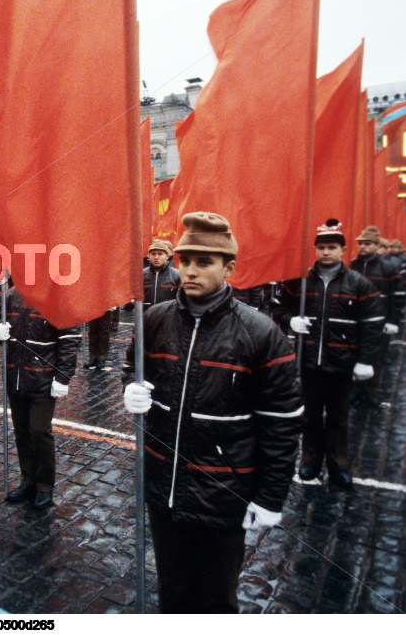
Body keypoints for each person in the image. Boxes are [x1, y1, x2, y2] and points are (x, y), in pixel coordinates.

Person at [123, 211, 302, 613]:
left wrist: (271, 497)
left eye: (204, 262)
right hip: (163, 487)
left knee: (216, 600)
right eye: (185, 260)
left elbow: (282, 424)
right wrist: (129, 390)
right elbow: (132, 367)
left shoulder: (260, 332)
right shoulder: (154, 319)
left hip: (222, 494)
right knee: (173, 592)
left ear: (229, 267)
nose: (189, 270)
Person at [277, 218, 383, 489]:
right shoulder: (300, 281)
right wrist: (290, 320)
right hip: (309, 362)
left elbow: (371, 326)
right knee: (310, 416)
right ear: (315, 249)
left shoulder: (357, 284)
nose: (326, 252)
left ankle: (338, 464)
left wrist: (366, 360)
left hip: (342, 364)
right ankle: (310, 460)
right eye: (321, 247)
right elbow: (277, 307)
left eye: (332, 247)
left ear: (343, 250)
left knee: (339, 418)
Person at [0, 283, 79, 509]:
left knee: (39, 432)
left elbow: (69, 340)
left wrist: (63, 377)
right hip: (15, 376)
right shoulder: (11, 295)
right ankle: (28, 481)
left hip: (43, 380)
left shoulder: (57, 296)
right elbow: (3, 327)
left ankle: (45, 486)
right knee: (21, 432)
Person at [350, 226, 400, 401]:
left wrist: (393, 320)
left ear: (376, 245)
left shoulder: (388, 268)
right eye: (361, 243)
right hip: (355, 318)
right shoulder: (352, 265)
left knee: (375, 355)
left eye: (367, 243)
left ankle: (372, 391)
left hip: (379, 319)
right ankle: (355, 389)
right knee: (355, 353)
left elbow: (395, 297)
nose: (363, 247)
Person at [142, 239, 180, 311]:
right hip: (146, 317)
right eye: (153, 254)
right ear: (149, 256)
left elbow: (182, 301)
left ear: (167, 256)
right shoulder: (141, 274)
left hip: (168, 318)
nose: (156, 257)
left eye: (160, 254)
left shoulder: (177, 275)